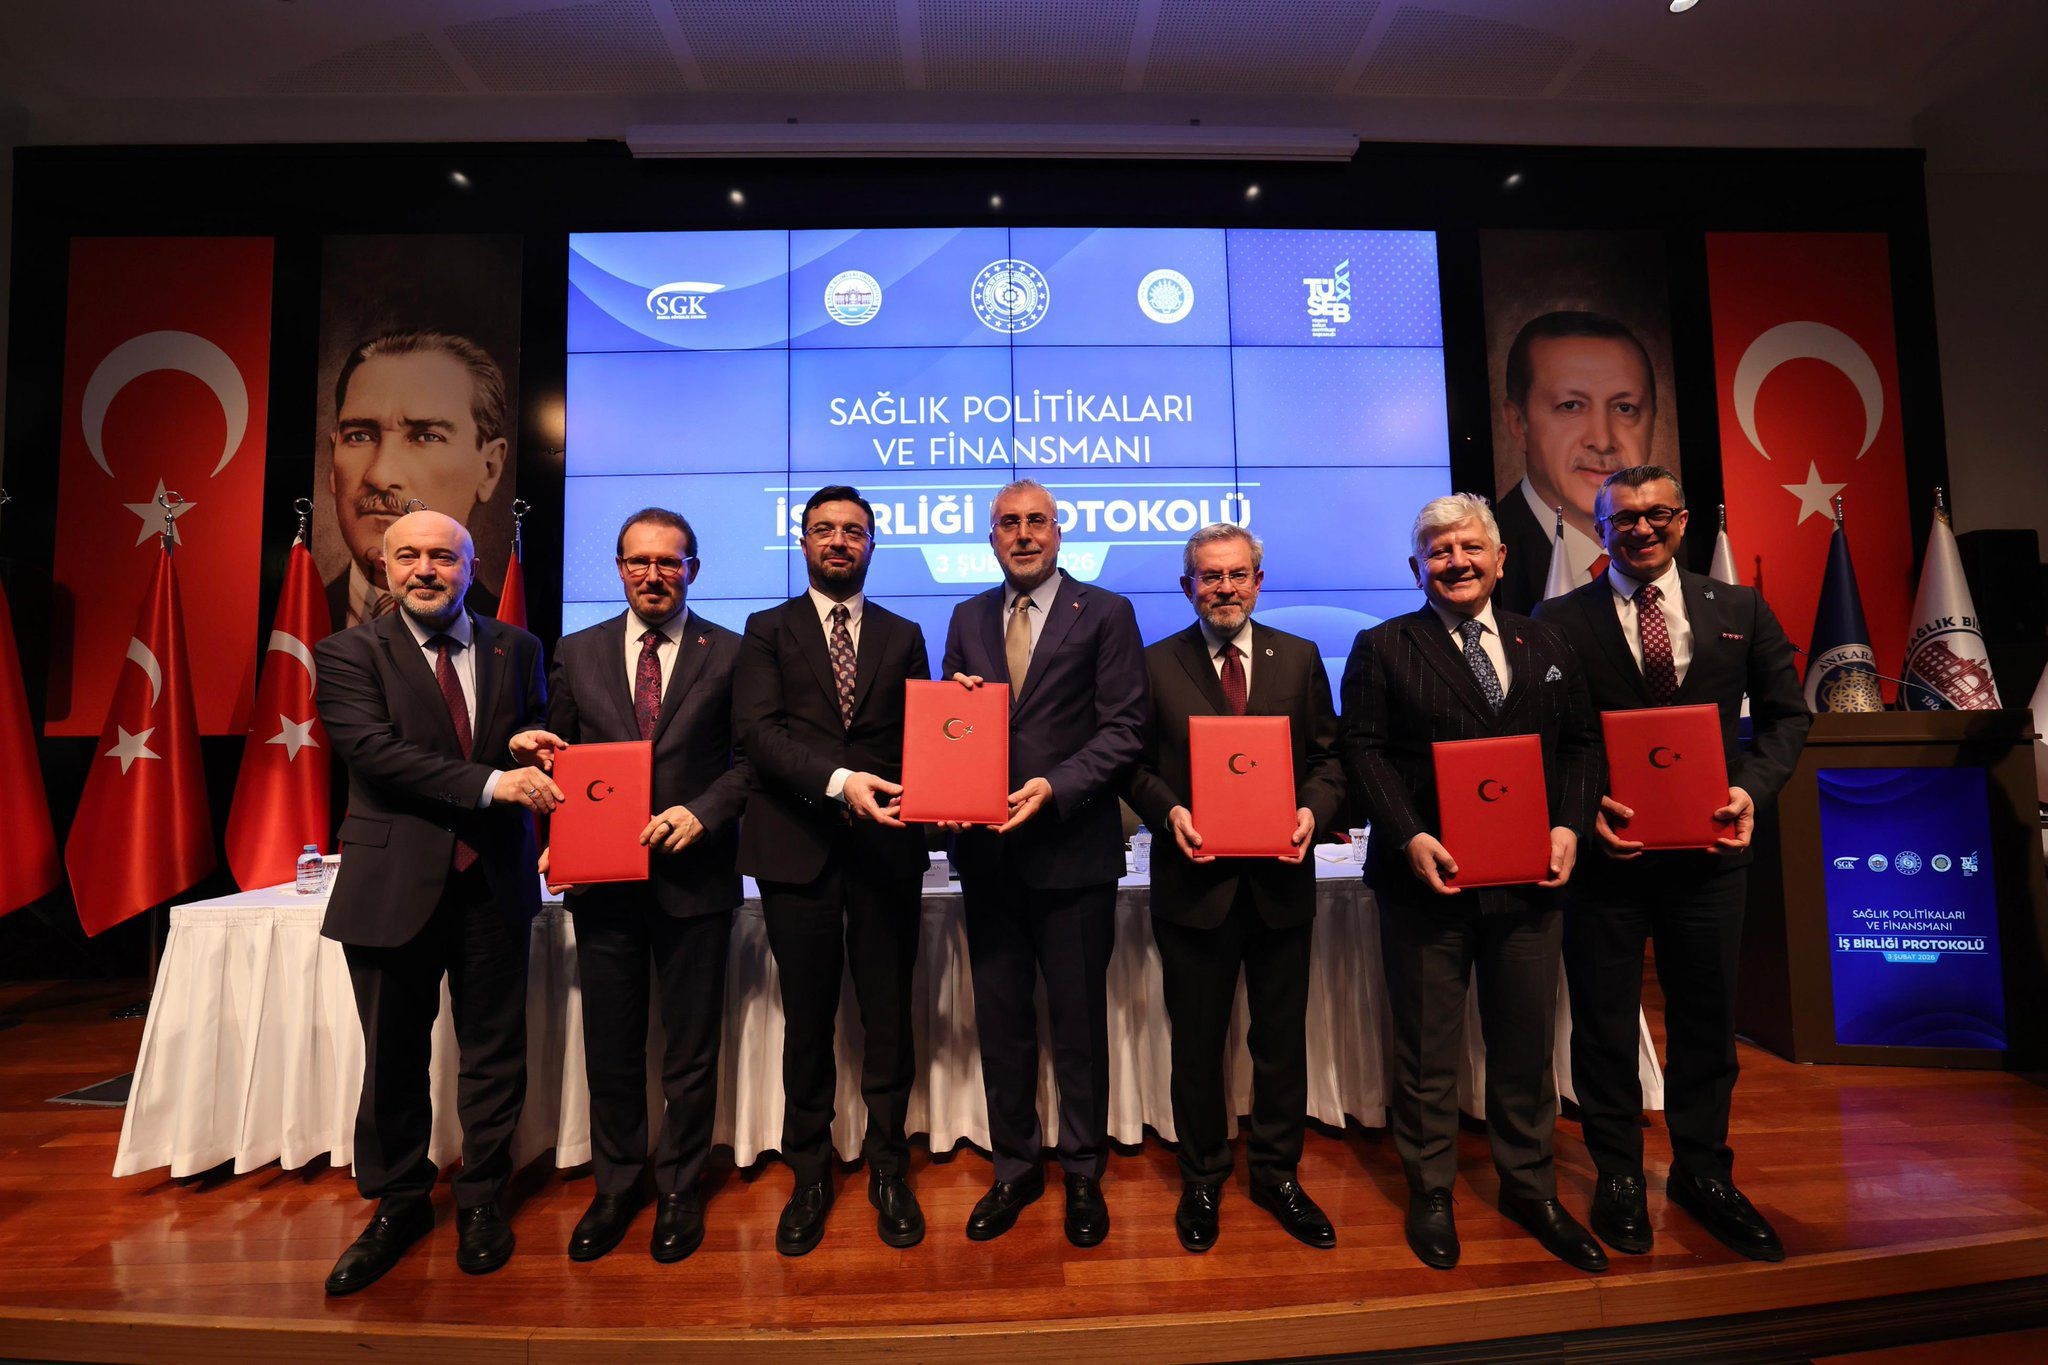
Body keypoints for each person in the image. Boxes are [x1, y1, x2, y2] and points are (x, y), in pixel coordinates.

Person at [1534, 465, 1809, 1263]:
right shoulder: (1559, 618)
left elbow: (1787, 717)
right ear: (1600, 529)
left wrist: (1750, 788)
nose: (1642, 529)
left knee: (1706, 1023)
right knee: (1604, 1025)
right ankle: (1619, 1173)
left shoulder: (1740, 608)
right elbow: (1543, 734)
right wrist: (1585, 809)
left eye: (1658, 514)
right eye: (1624, 518)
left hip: (1710, 857)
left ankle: (1703, 1172)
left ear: (1683, 521)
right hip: (1607, 863)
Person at [1338, 492, 1607, 1274]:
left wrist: (1570, 825)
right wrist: (1409, 834)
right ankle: (1431, 1190)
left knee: (1524, 1045)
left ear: (1499, 558)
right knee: (1427, 1051)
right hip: (1427, 882)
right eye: (1438, 550)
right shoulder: (1383, 645)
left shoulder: (1545, 639)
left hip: (1529, 882)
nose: (1455, 561)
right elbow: (1363, 751)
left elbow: (1581, 745)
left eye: (1468, 547)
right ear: (1416, 567)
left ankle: (1531, 1187)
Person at [313, 509, 560, 1295]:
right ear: (384, 568)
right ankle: (400, 1203)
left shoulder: (517, 646)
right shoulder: (347, 653)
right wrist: (493, 781)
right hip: (390, 886)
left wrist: (523, 739)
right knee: (392, 1056)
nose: (427, 568)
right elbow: (376, 754)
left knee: (494, 1052)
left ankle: (482, 1197)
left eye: (444, 556)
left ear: (471, 567)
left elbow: (527, 727)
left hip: (493, 881)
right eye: (410, 555)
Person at [507, 508, 751, 1264]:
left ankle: (679, 1186)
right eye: (639, 561)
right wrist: (553, 802)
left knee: (690, 1050)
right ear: (618, 568)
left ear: (693, 570)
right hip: (604, 884)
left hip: (695, 878)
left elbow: (751, 760)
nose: (654, 575)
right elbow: (560, 756)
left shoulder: (732, 652)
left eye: (669, 562)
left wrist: (703, 812)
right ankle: (615, 1186)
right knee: (611, 1046)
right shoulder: (575, 651)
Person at [1125, 524, 1346, 1253]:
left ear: (1258, 580)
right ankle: (1201, 1176)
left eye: (1237, 574)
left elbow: (1329, 758)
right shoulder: (1155, 663)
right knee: (1196, 1045)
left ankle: (1279, 1175)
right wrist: (1169, 811)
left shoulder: (1300, 657)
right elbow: (1133, 766)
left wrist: (1312, 810)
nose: (1224, 587)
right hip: (1194, 887)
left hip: (1280, 883)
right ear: (1187, 585)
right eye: (1210, 576)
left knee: (1280, 1042)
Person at [941, 479, 1147, 1247]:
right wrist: (955, 708)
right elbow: (954, 724)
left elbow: (1124, 728)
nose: (1023, 533)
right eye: (1008, 523)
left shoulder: (1107, 612)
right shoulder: (966, 617)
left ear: (1059, 531)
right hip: (988, 856)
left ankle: (1084, 1169)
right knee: (1002, 1025)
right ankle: (1016, 1167)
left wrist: (1054, 786)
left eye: (1036, 521)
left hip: (1073, 850)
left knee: (1079, 1024)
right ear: (990, 536)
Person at [733, 485, 933, 1256]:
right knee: (808, 1022)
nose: (839, 541)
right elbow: (759, 735)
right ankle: (809, 1172)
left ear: (873, 543)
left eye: (853, 530)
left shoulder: (904, 633)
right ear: (804, 542)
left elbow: (923, 738)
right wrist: (839, 781)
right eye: (825, 529)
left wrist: (960, 722)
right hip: (797, 850)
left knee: (888, 1019)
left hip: (886, 852)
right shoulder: (767, 629)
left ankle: (889, 1166)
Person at [325, 329, 509, 629]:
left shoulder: (510, 637)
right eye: (360, 436)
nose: (380, 476)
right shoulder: (293, 640)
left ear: (489, 468)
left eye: (426, 436)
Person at [1494, 312, 1658, 614]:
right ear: (1518, 422)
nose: (1602, 440)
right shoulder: (1483, 554)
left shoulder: (1685, 555)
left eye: (1625, 408)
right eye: (1570, 406)